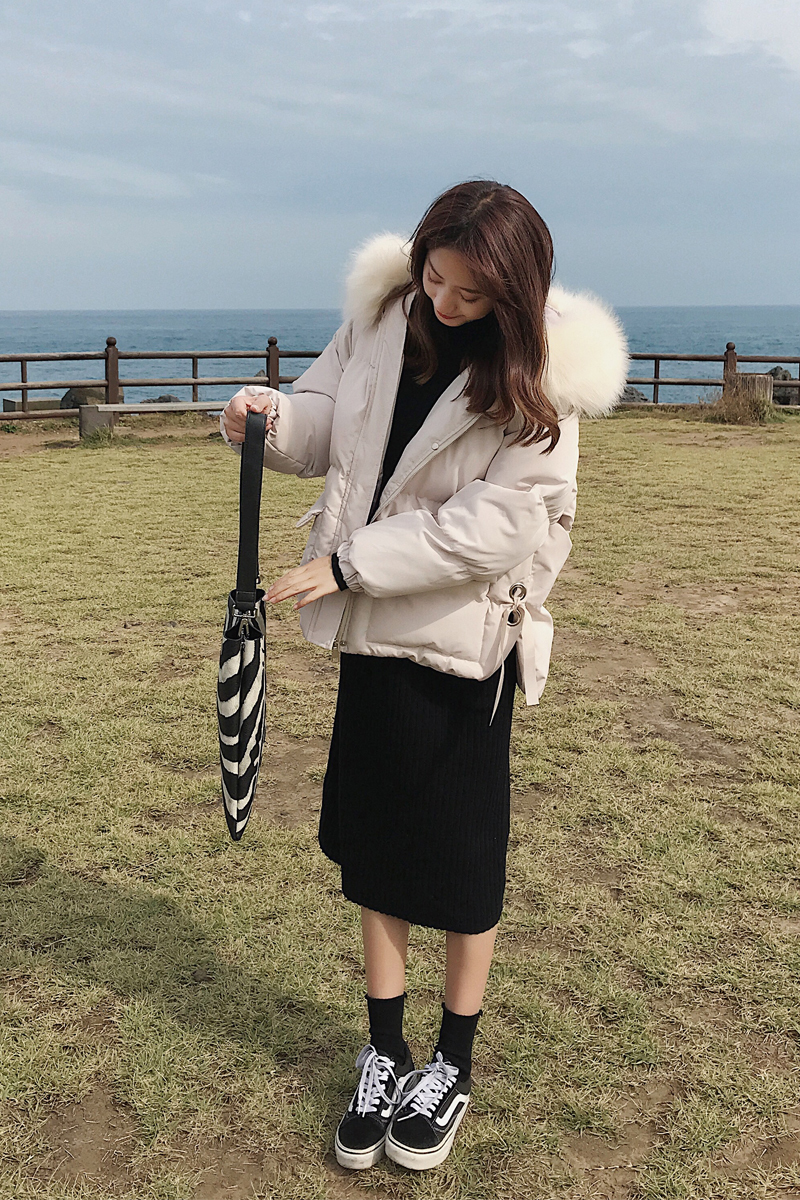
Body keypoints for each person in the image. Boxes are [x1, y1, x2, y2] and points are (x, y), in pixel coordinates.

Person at [220, 180, 628, 1173]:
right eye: (434, 277)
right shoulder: (382, 314)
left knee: (459, 864)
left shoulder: (542, 377)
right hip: (372, 634)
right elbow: (326, 418)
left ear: (515, 294)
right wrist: (267, 418)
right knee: (375, 849)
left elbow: (497, 527)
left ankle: (451, 1061)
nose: (443, 303)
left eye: (470, 294)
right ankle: (384, 1051)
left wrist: (348, 563)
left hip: (462, 646)